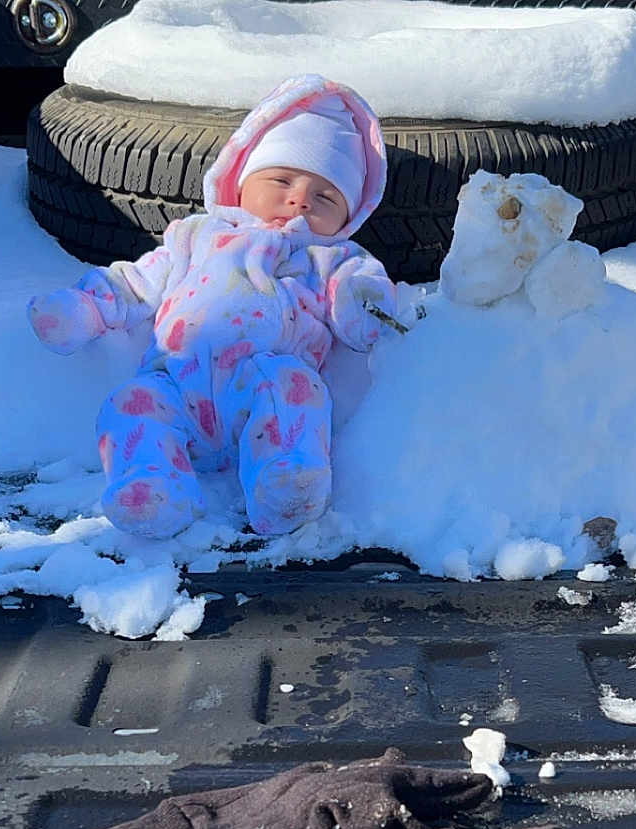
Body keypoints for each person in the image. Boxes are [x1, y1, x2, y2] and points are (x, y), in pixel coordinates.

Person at [27, 73, 396, 538]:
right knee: (129, 404)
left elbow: (357, 298)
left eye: (324, 196)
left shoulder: (331, 256)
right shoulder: (195, 236)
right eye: (282, 178)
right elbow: (135, 282)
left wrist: (368, 307)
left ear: (349, 215)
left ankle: (284, 487)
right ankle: (152, 490)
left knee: (295, 389)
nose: (300, 198)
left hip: (260, 380)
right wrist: (83, 308)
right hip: (176, 381)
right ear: (240, 181)